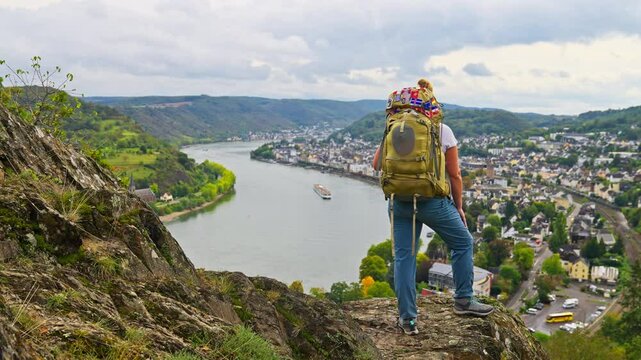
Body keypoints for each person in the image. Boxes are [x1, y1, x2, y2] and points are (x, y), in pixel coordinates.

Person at [373, 98, 494, 336]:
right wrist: (458, 207)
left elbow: (376, 164)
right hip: (431, 201)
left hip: (398, 201)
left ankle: (407, 319)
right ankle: (463, 300)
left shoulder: (394, 127)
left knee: (404, 258)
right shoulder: (440, 130)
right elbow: (455, 174)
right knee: (462, 242)